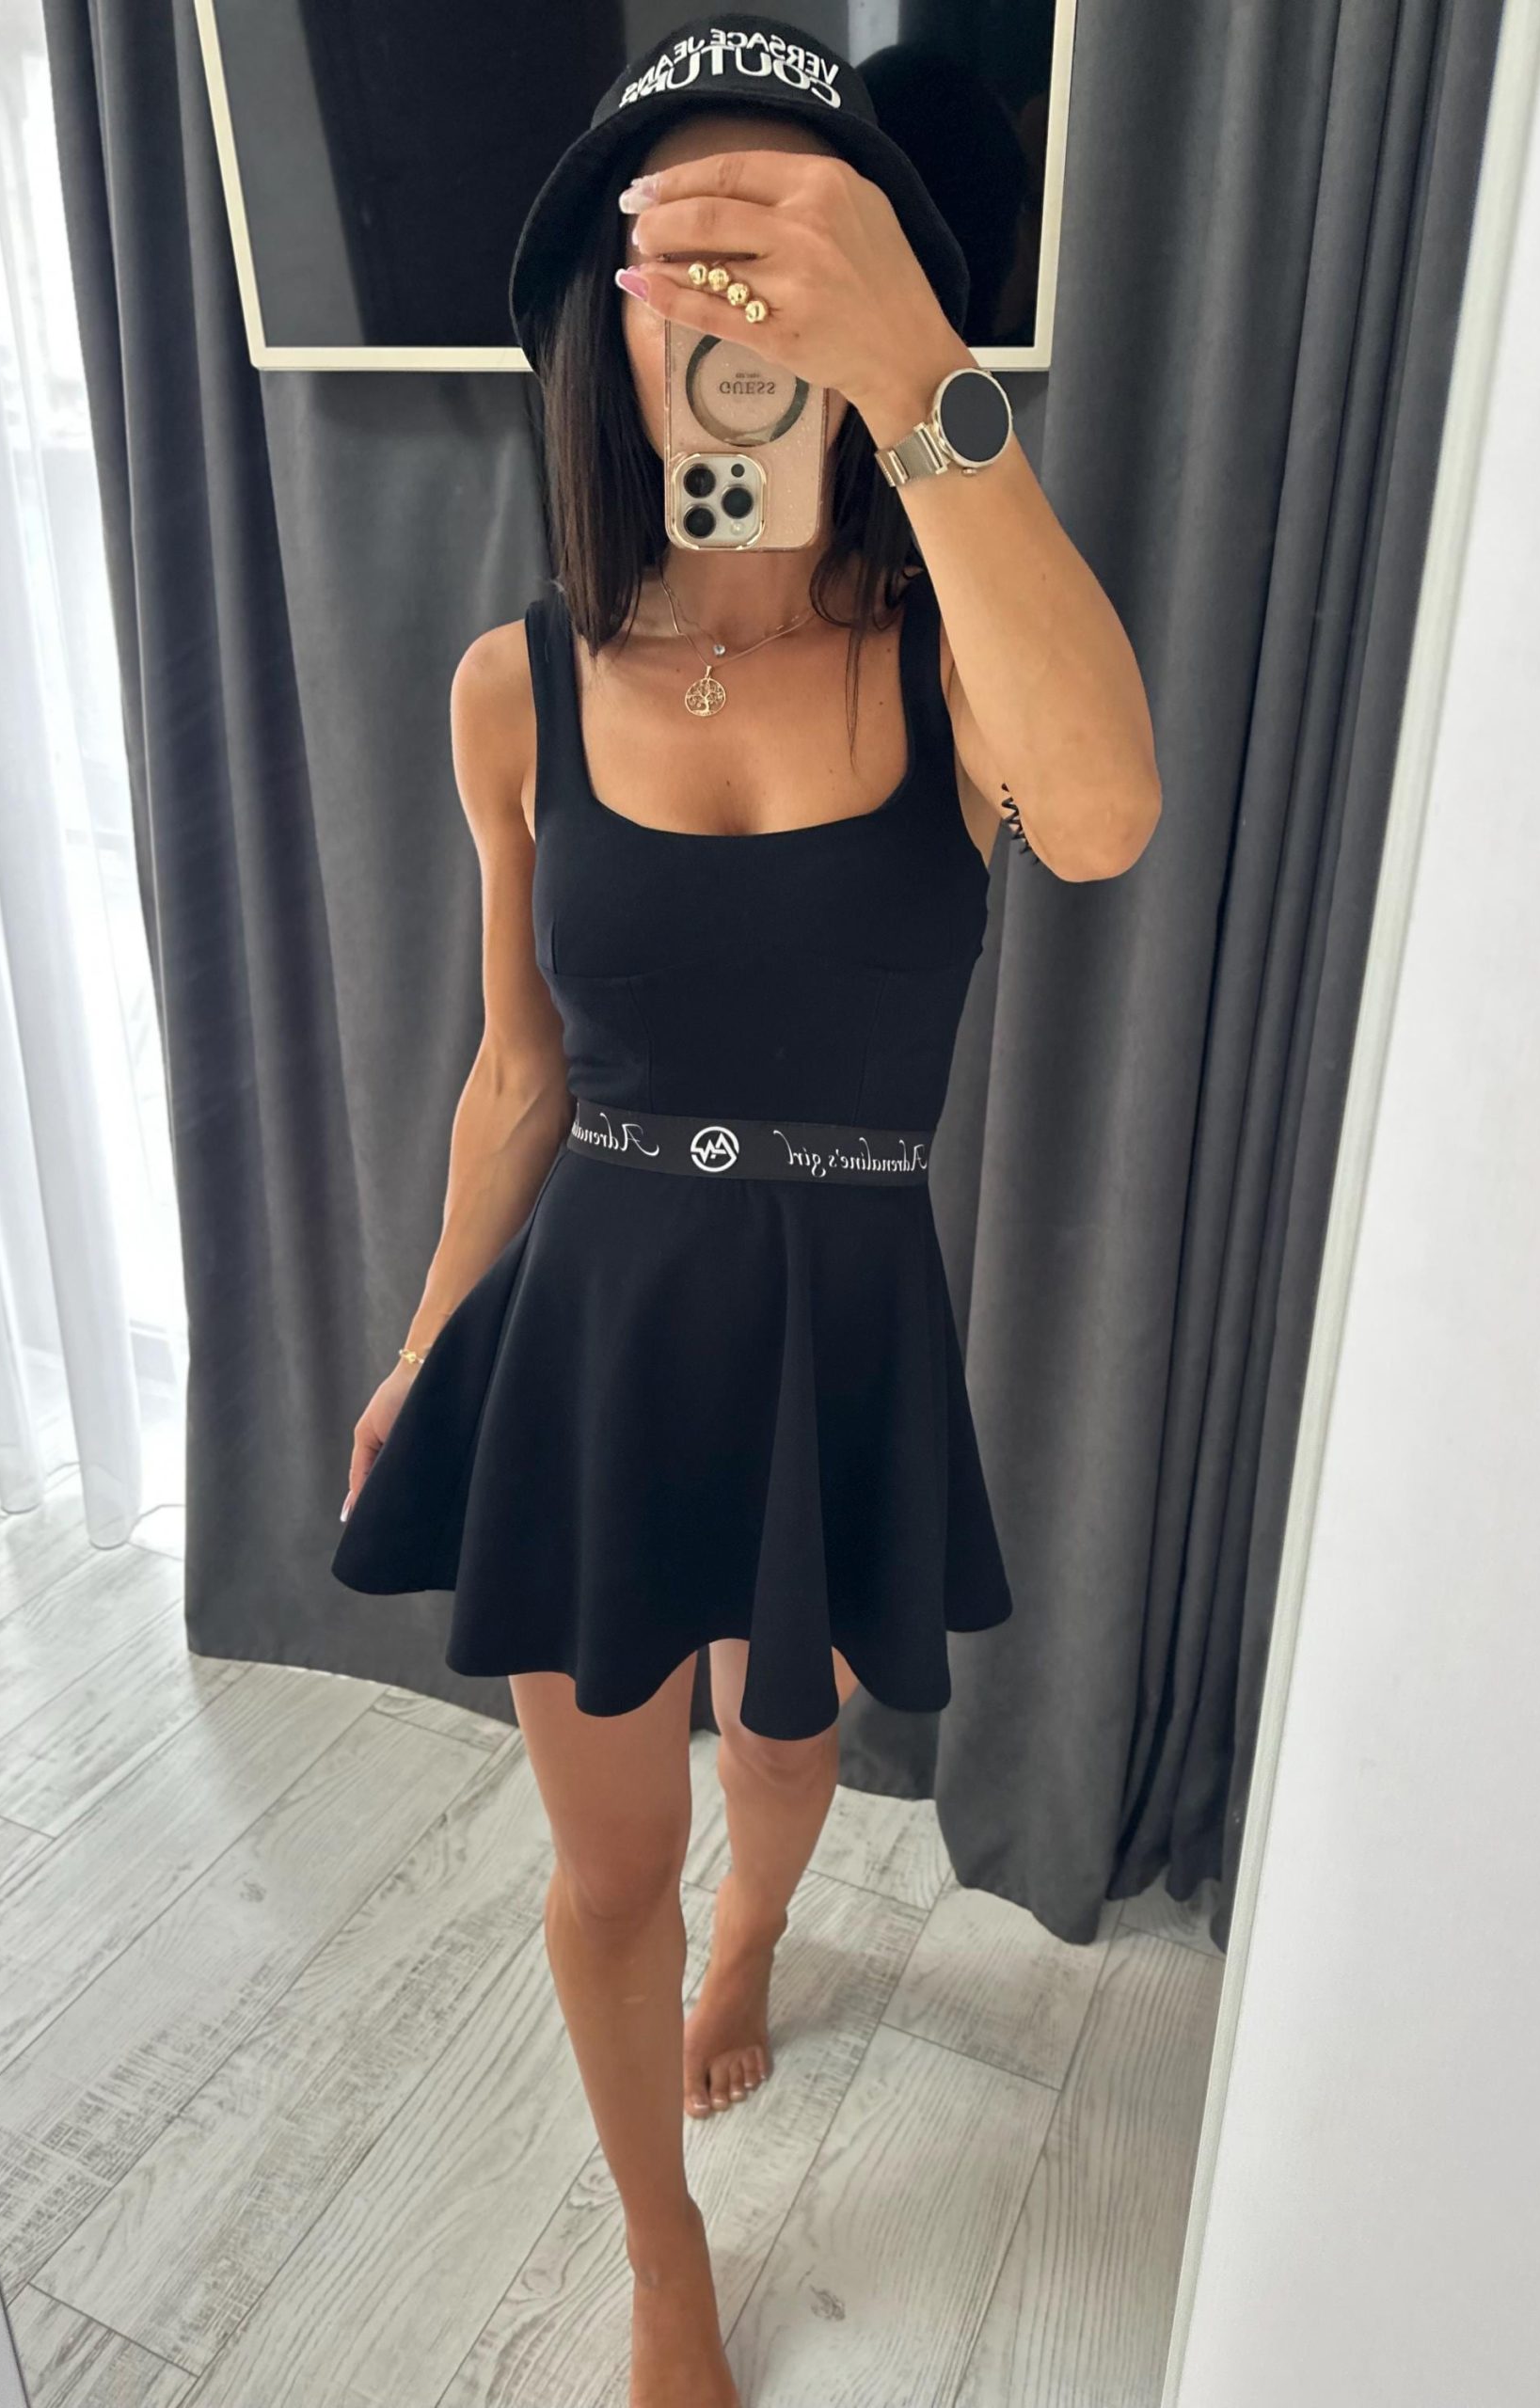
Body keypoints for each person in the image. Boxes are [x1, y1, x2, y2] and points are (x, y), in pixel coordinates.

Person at [332, 16, 1160, 2404]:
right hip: (588, 1322)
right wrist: (425, 1337)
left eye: (791, 237)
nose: (736, 298)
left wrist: (929, 387)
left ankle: (762, 1934)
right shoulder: (515, 683)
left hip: (835, 1324)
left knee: (780, 1758)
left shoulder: (953, 654)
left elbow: (1105, 813)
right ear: (602, 321)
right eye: (685, 253)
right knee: (606, 1859)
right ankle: (661, 2253)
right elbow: (520, 1065)